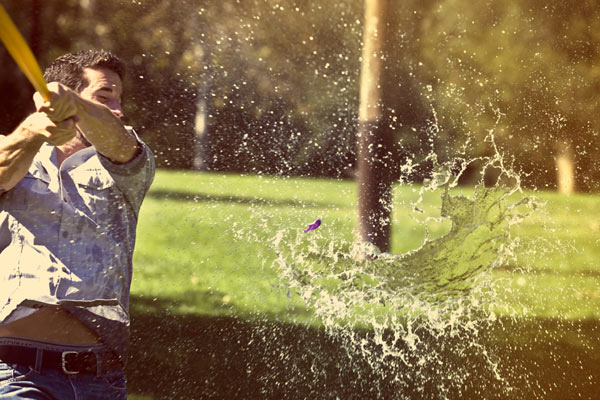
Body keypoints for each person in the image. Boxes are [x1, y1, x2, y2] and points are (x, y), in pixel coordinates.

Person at [0, 49, 155, 399]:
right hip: (13, 375)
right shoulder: (11, 150)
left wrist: (79, 105)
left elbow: (120, 143)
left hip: (100, 379)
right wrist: (34, 128)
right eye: (104, 96)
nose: (118, 110)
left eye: (118, 99)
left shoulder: (126, 160)